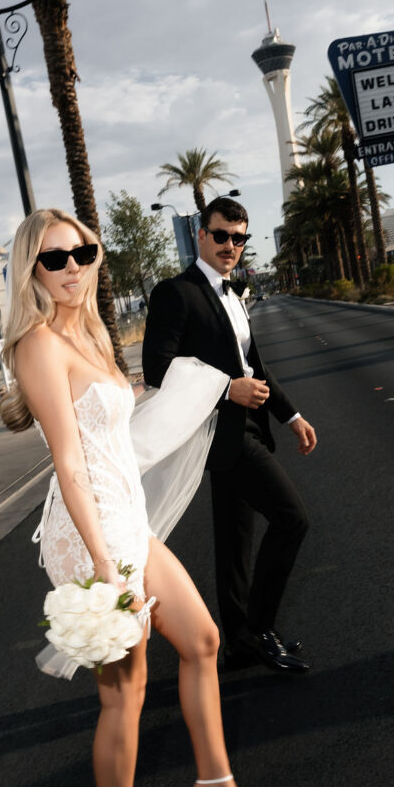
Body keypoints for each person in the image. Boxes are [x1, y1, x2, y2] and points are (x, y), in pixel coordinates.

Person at [0, 207, 271, 787]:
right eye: (53, 259)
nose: (71, 268)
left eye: (81, 253)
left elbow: (119, 438)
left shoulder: (89, 335)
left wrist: (200, 395)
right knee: (124, 690)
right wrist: (99, 562)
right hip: (88, 530)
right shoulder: (38, 344)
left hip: (125, 516)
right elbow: (67, 460)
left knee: (203, 639)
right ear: (31, 270)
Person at [143, 196, 317, 675]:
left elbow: (254, 368)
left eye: (239, 238)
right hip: (219, 433)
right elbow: (157, 369)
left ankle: (240, 643)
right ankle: (260, 631)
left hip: (251, 429)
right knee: (291, 518)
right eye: (221, 235)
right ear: (201, 234)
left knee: (234, 542)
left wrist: (292, 415)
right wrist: (225, 389)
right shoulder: (174, 293)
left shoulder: (234, 296)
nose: (230, 245)